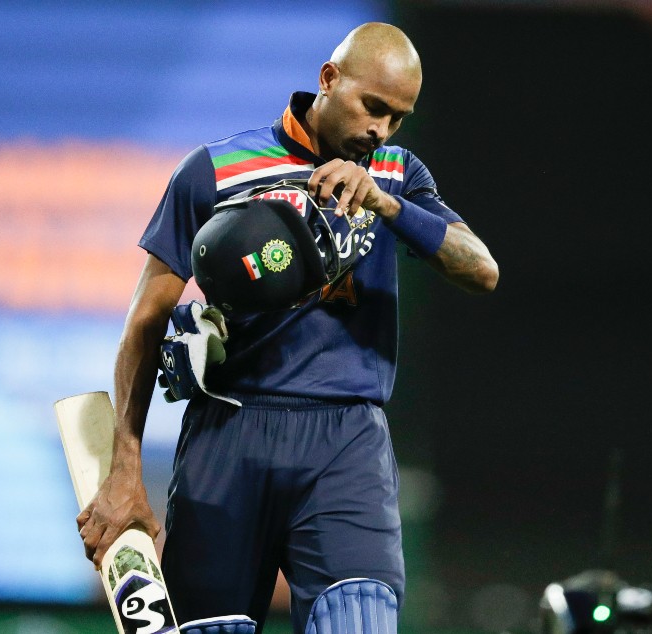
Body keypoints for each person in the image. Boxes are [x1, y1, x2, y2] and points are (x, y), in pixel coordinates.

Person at [77, 22, 499, 634]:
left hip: (346, 441)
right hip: (230, 434)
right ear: (329, 79)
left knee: (358, 621)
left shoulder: (396, 173)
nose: (381, 130)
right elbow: (145, 321)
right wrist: (125, 470)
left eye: (398, 118)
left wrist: (387, 204)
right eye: (372, 107)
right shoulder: (214, 170)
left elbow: (482, 269)